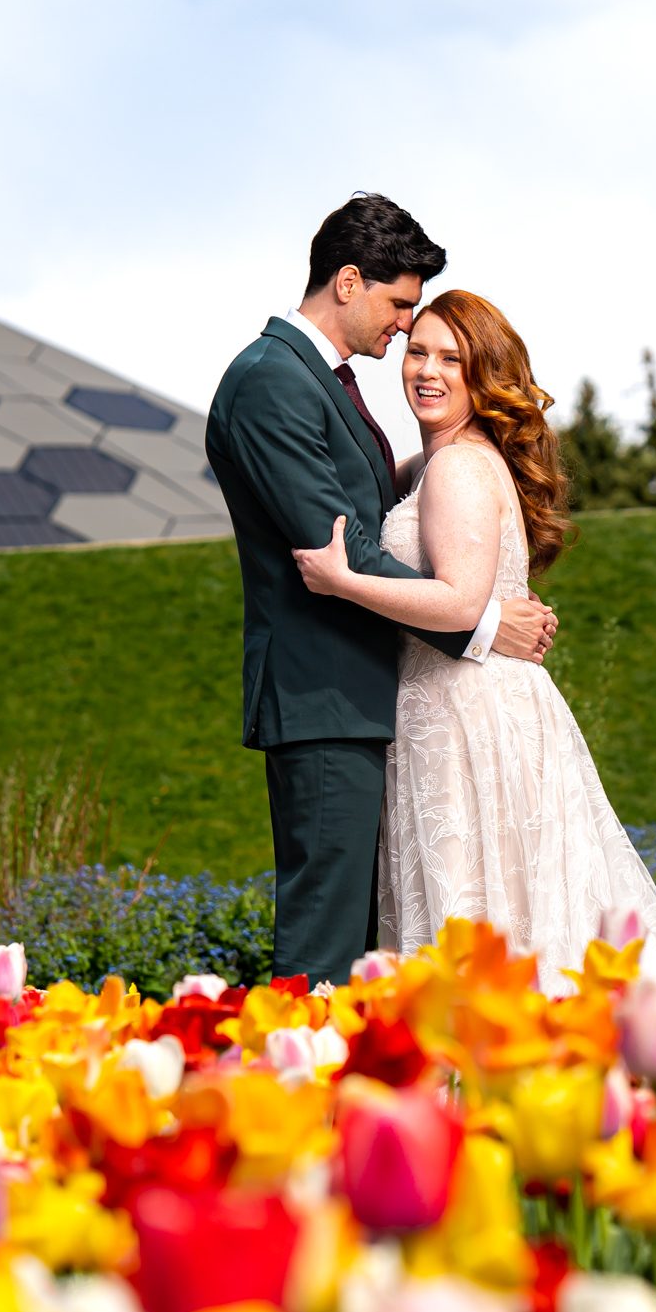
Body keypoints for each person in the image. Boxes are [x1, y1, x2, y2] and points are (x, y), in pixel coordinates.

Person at [292, 289, 656, 993]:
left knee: (483, 913)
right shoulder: (434, 465)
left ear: (483, 375)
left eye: (453, 359)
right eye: (418, 350)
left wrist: (343, 582)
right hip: (468, 703)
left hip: (465, 711)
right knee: (511, 908)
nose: (428, 370)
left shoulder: (456, 464)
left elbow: (458, 601)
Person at [205, 196, 559, 986]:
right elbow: (344, 547)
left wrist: (470, 454)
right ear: (348, 280)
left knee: (363, 945)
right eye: (399, 305)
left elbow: (378, 505)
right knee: (325, 950)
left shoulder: (319, 381)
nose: (405, 326)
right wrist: (480, 621)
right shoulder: (272, 382)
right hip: (321, 691)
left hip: (361, 697)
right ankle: (299, 1095)